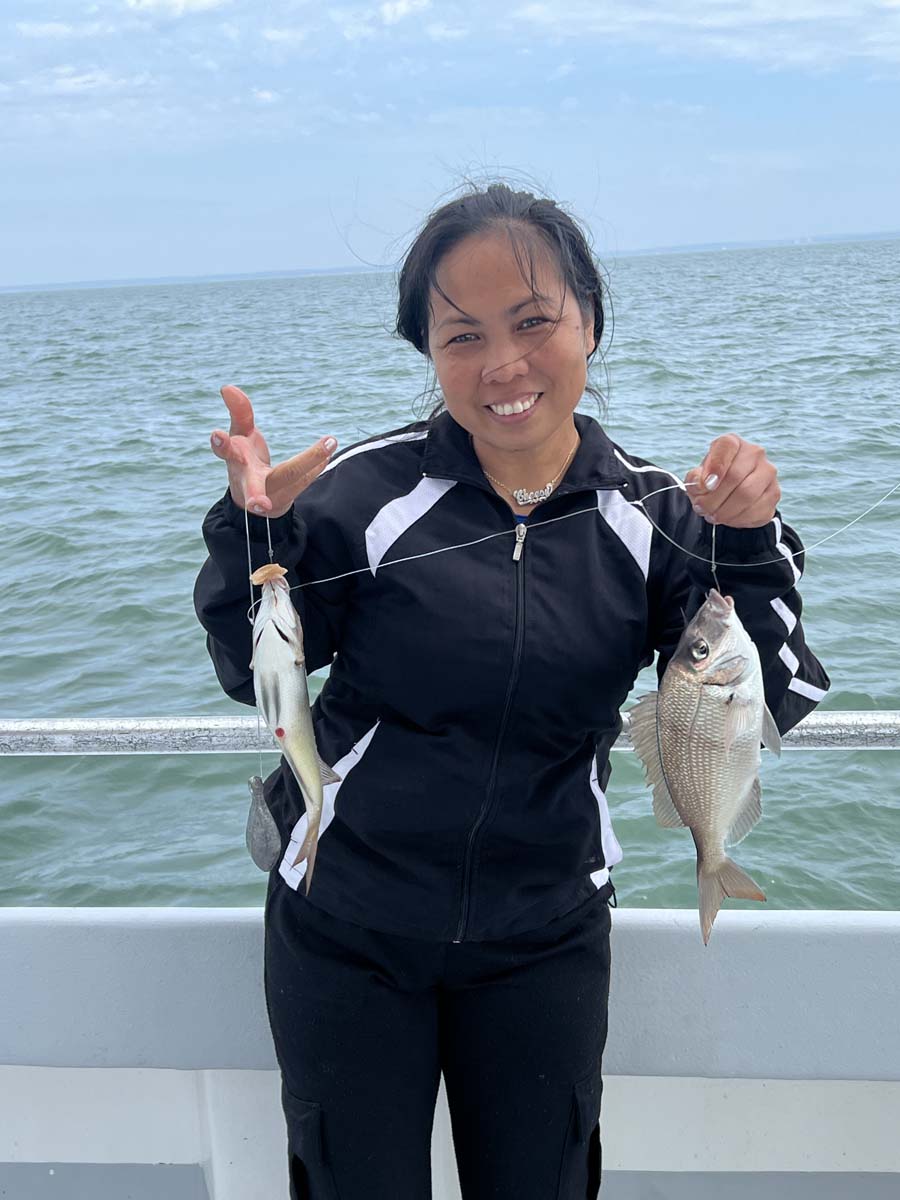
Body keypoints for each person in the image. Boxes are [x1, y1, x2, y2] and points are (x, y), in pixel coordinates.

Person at [194, 183, 829, 1200]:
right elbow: (249, 667)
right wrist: (253, 535)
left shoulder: (659, 515)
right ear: (427, 353)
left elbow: (775, 690)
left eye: (534, 323)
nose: (502, 366)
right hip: (345, 925)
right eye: (462, 336)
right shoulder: (365, 493)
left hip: (544, 935)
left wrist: (749, 541)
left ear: (590, 319)